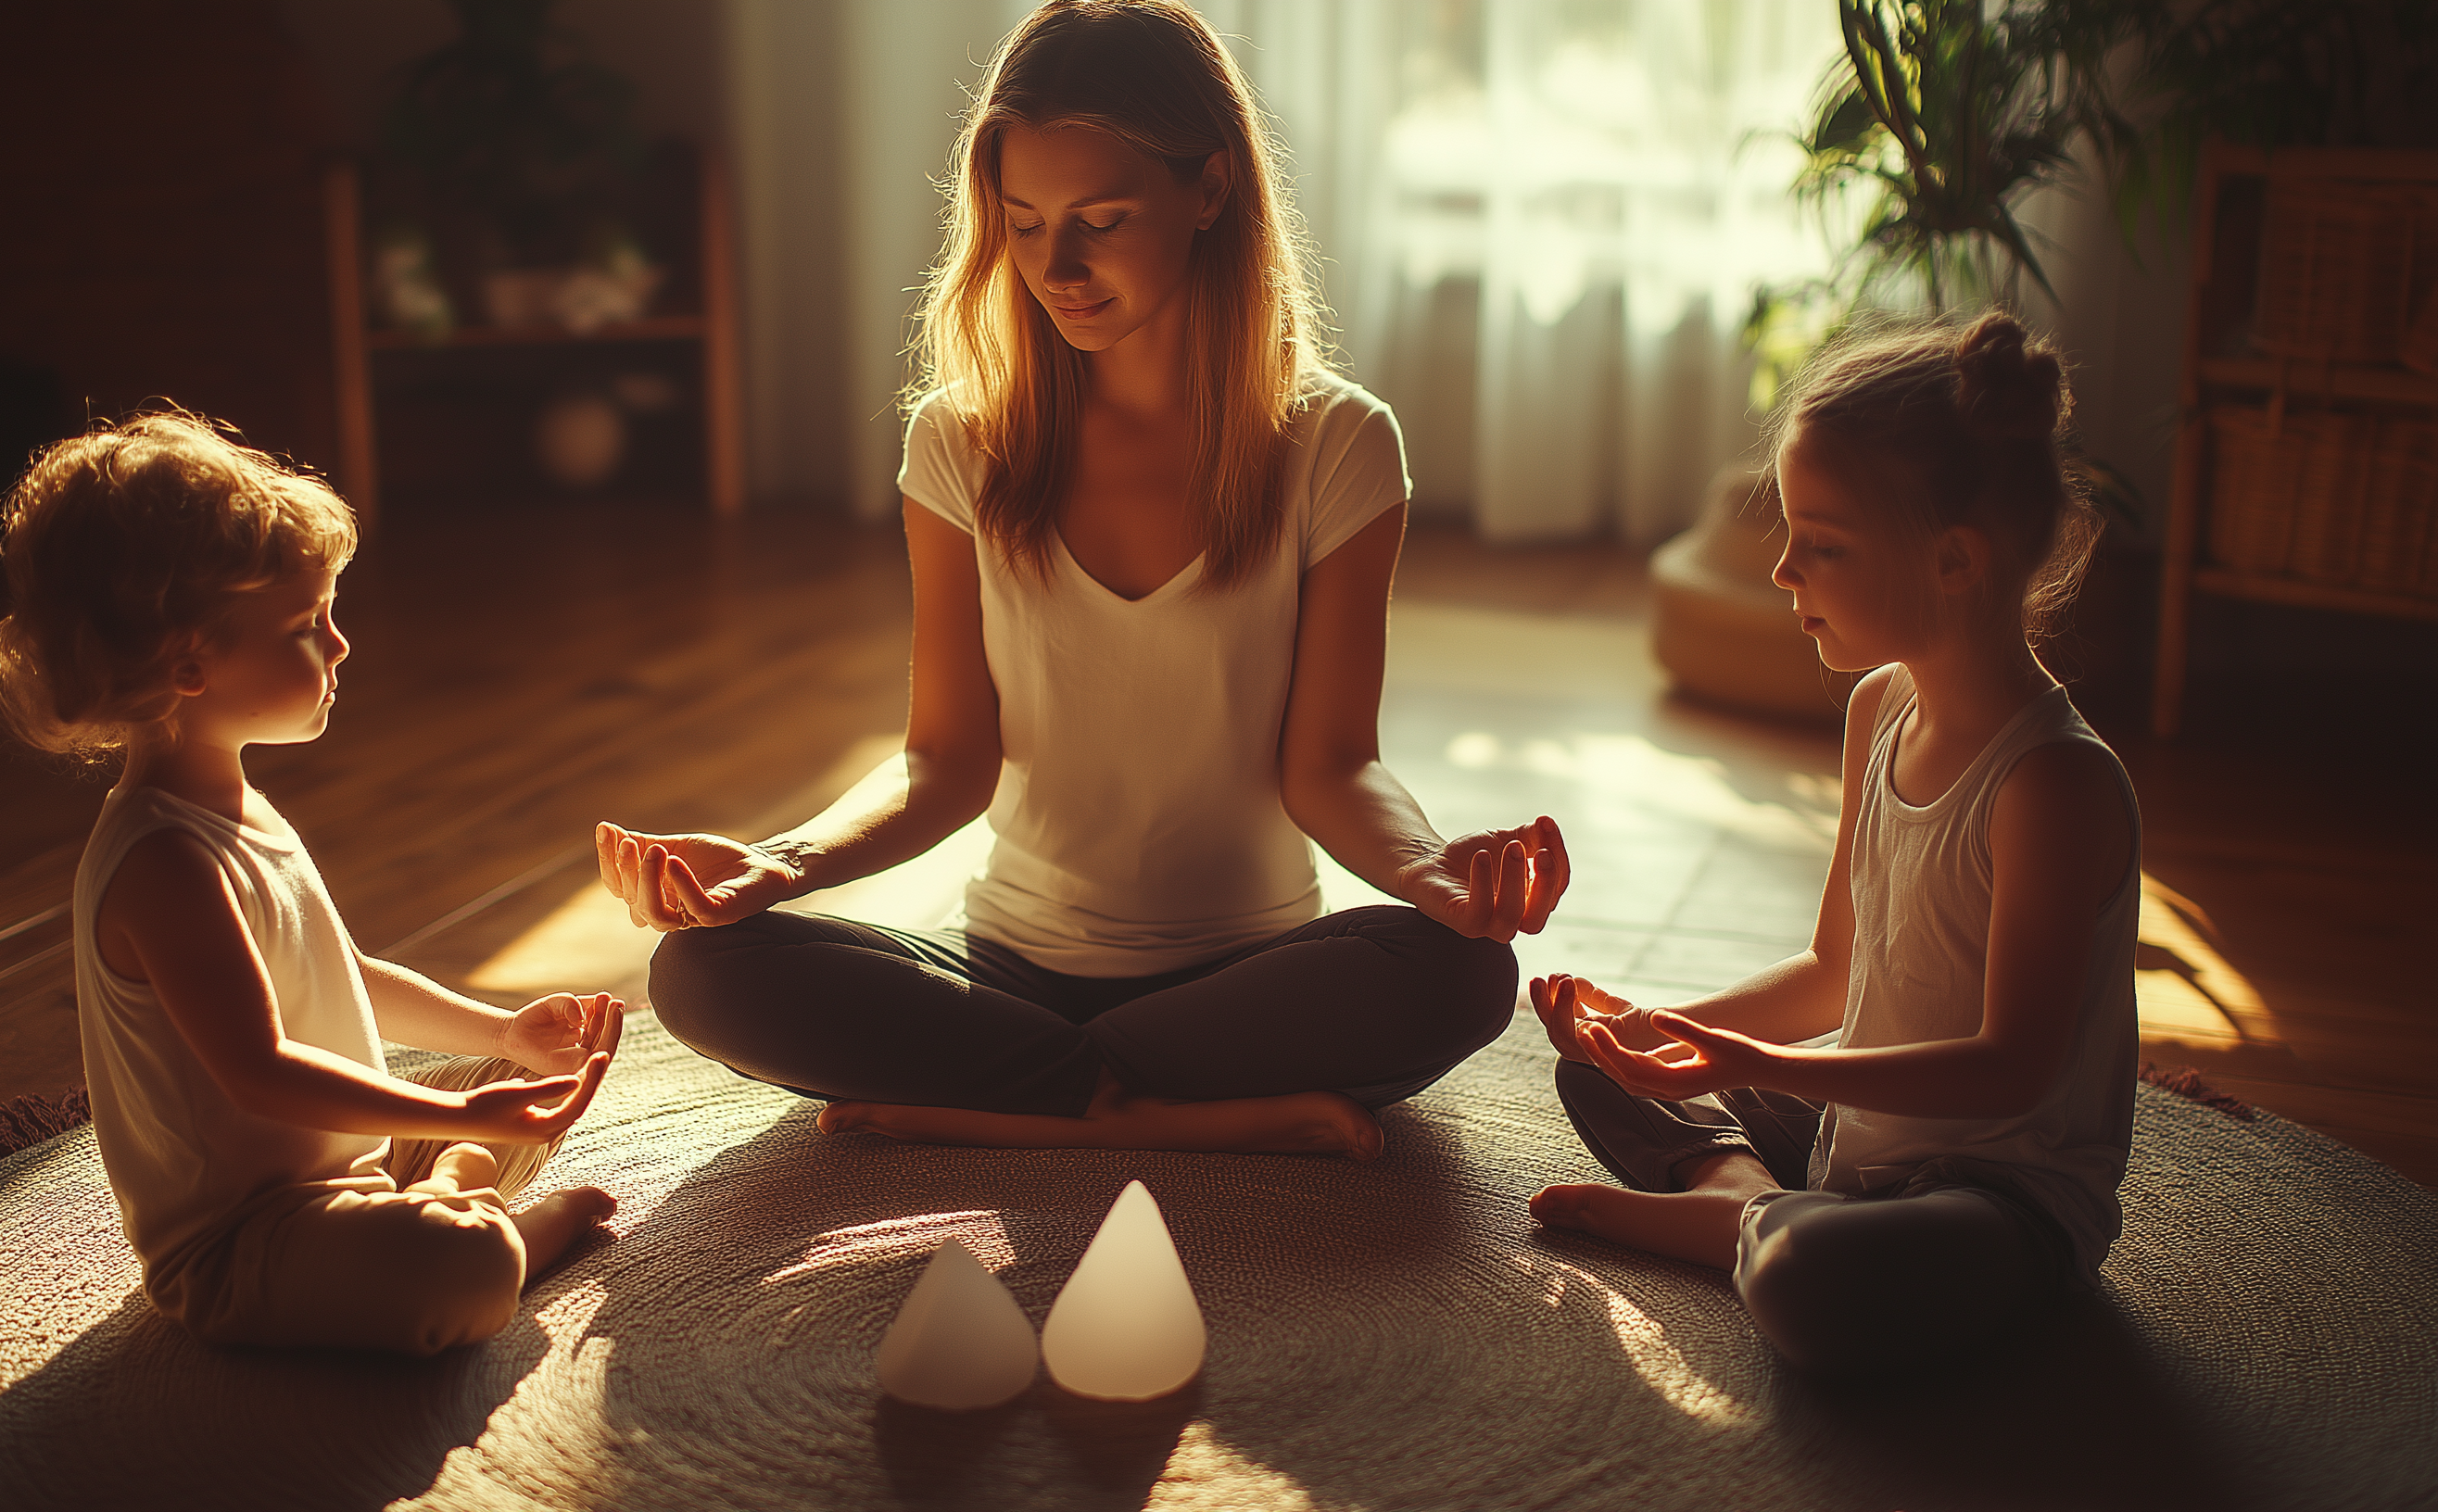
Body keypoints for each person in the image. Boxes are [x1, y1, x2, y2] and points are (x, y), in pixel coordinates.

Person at [598, 0, 1566, 1158]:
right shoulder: (956, 440)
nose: (1056, 266)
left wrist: (1427, 873)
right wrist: (780, 862)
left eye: (1100, 220)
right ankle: (1162, 1114)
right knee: (702, 970)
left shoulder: (1338, 441)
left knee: (1459, 971)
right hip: (1009, 970)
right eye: (1022, 222)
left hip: (1247, 978)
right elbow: (942, 762)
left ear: (1209, 190)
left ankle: (1015, 1109)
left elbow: (1330, 765)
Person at [1529, 312, 2141, 1375]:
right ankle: (1753, 1208)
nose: (1779, 570)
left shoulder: (2051, 782)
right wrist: (1657, 1028)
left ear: (1951, 561)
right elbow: (1833, 970)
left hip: (1995, 1202)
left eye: (1821, 543)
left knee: (1814, 1282)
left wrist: (1756, 1062)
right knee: (1597, 1074)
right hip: (1848, 1148)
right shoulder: (1878, 711)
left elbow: (2012, 1066)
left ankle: (1746, 1223)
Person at [0, 411, 624, 1356]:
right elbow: (259, 1072)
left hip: (345, 1169)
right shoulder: (164, 859)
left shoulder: (235, 803)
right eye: (305, 624)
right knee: (454, 1273)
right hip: (247, 1242)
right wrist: (450, 1121)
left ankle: (455, 1190)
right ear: (186, 664)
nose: (340, 646)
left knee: (526, 1081)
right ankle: (480, 1221)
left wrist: (498, 1036)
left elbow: (344, 973)